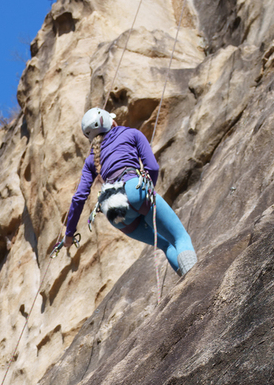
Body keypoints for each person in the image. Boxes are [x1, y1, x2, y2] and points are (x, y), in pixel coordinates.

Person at [64, 107, 197, 276]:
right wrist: (146, 197)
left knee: (166, 244)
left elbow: (79, 198)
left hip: (113, 210)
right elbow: (153, 167)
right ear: (113, 122)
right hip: (135, 189)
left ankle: (187, 281)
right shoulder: (131, 134)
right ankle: (194, 280)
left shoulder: (91, 160)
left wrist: (69, 235)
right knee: (180, 239)